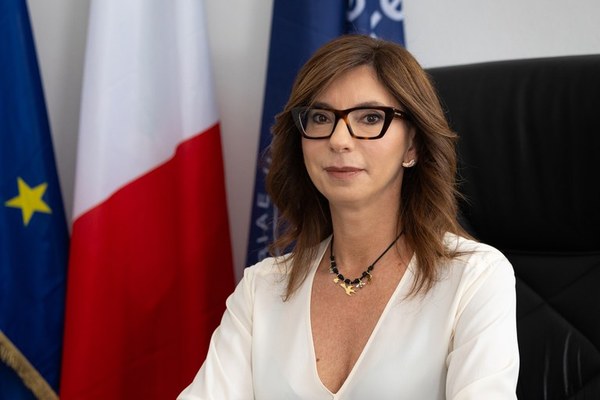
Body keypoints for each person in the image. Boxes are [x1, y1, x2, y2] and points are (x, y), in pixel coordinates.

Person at [178, 34, 519, 399]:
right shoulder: (261, 289)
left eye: (370, 118)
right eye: (321, 118)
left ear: (413, 146)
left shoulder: (474, 277)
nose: (339, 140)